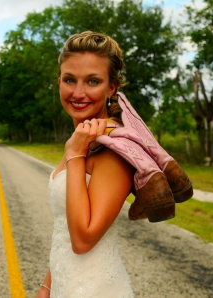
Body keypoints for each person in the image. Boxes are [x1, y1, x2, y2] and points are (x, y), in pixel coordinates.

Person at [36, 31, 134, 298]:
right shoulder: (79, 141)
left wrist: (76, 155)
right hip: (64, 286)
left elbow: (82, 240)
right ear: (59, 82)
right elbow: (64, 233)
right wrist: (47, 287)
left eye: (93, 81)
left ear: (111, 87)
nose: (78, 93)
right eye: (70, 80)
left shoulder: (113, 151)